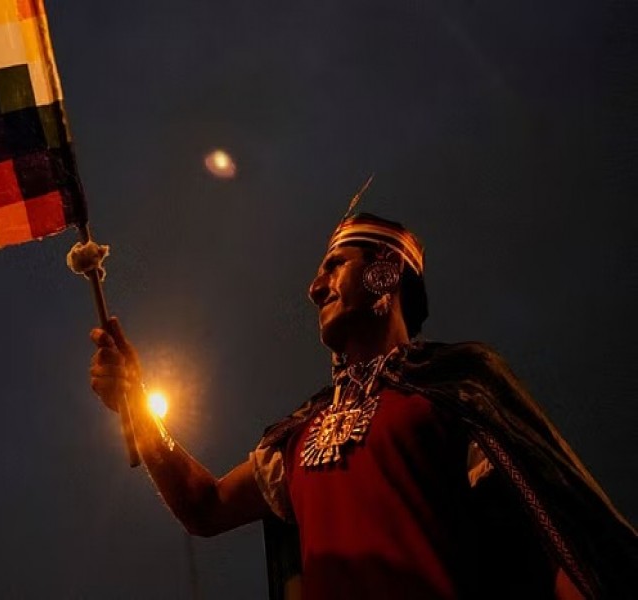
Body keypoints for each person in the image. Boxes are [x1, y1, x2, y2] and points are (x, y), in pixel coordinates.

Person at [89, 209, 637, 599]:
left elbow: (558, 555)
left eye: (334, 266)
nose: (314, 286)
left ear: (382, 274)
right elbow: (204, 506)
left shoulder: (456, 393)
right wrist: (135, 403)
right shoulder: (298, 436)